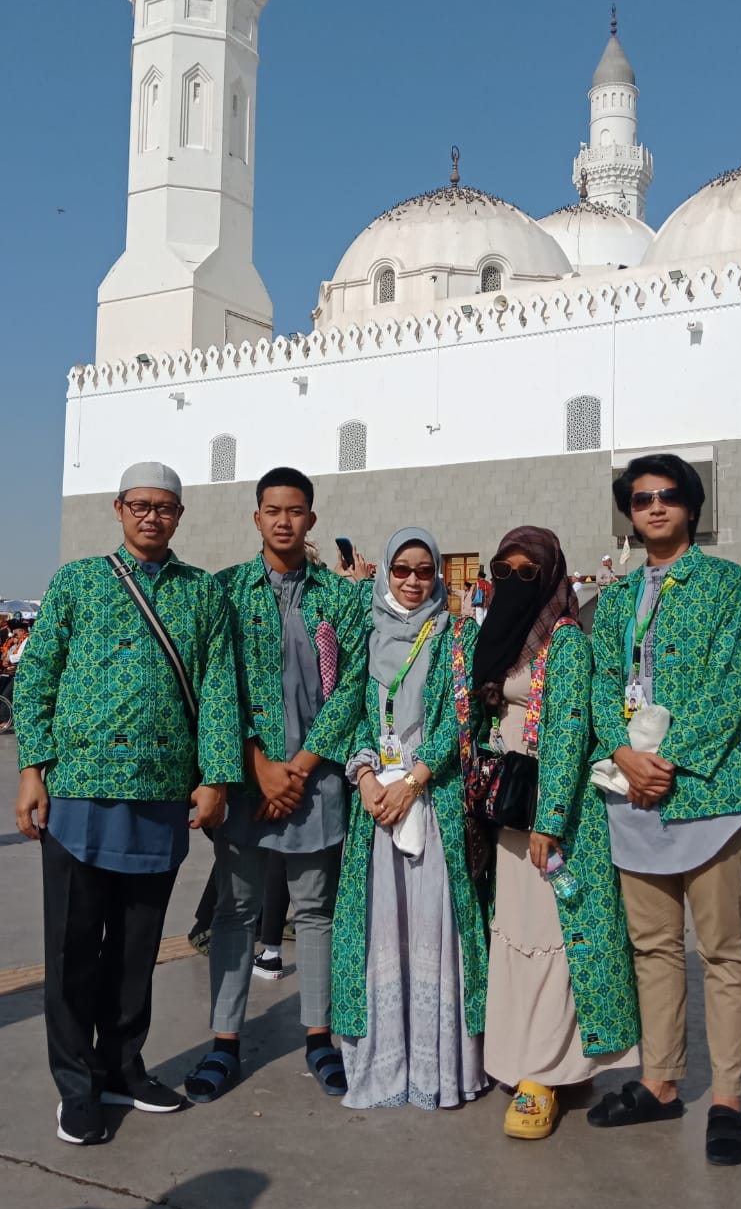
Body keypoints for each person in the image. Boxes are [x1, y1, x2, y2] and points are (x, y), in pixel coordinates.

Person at [13, 462, 241, 1146]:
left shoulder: (202, 592)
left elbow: (219, 687)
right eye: (139, 505)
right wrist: (31, 770)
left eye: (163, 507)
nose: (151, 516)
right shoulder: (77, 581)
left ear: (179, 515)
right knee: (73, 946)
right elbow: (37, 676)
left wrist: (216, 778)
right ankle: (76, 1085)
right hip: (78, 787)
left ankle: (122, 1065)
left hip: (161, 791)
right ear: (118, 509)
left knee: (136, 948)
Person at [587, 453, 741, 1165]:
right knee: (653, 947)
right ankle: (660, 1082)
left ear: (690, 506)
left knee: (721, 949)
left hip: (709, 791)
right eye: (640, 499)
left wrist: (666, 761)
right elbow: (603, 683)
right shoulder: (617, 598)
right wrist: (623, 754)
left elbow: (731, 685)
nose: (654, 506)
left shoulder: (727, 585)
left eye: (667, 495)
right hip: (632, 793)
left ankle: (727, 1099)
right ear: (629, 514)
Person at [185, 467, 369, 1103]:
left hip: (314, 783)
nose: (284, 521)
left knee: (315, 910)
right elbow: (214, 686)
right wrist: (258, 763)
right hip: (246, 781)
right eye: (273, 510)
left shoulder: (341, 597)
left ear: (311, 519)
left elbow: (352, 685)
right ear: (256, 517)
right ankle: (224, 1042)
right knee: (236, 911)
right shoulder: (224, 592)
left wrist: (302, 765)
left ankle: (319, 1037)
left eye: (295, 511)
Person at [477, 527, 640, 1140]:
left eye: (529, 573)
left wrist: (549, 821)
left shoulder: (564, 641)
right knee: (520, 936)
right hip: (510, 810)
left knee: (550, 940)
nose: (515, 582)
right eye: (504, 571)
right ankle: (548, 1062)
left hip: (553, 816)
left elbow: (569, 733)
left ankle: (542, 1076)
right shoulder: (505, 633)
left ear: (550, 578)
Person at [332, 528, 488, 1108]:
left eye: (425, 571)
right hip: (375, 803)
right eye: (402, 570)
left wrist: (415, 780)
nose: (413, 581)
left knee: (431, 923)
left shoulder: (457, 636)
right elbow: (351, 711)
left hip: (433, 800)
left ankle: (435, 1068)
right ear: (385, 572)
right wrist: (367, 778)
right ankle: (386, 1063)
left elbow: (461, 718)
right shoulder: (366, 632)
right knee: (382, 925)